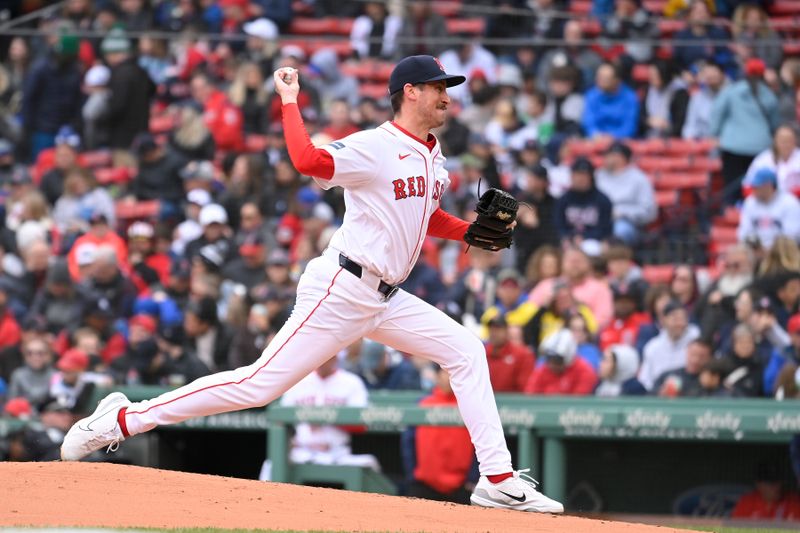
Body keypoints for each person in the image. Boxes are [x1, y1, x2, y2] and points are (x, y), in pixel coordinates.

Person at [61, 56, 563, 514]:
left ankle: (496, 478)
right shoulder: (374, 145)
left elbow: (423, 217)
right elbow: (306, 160)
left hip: (386, 298)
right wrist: (289, 101)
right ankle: (119, 422)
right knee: (257, 386)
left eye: (447, 89)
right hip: (342, 287)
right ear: (409, 91)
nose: (447, 97)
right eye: (438, 88)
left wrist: (469, 233)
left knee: (466, 351)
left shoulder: (434, 156)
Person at [278, 356, 380, 471]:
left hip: (337, 454)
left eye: (327, 357)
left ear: (336, 358)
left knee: (370, 464)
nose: (321, 362)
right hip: (302, 451)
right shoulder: (298, 380)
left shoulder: (351, 382)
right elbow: (280, 418)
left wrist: (328, 418)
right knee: (272, 465)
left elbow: (362, 424)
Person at [712, 58, 779, 205]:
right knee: (755, 189)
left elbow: (716, 115)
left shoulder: (731, 90)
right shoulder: (769, 95)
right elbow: (775, 126)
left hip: (733, 147)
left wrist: (714, 134)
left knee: (731, 191)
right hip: (760, 148)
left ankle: (731, 220)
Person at [405, 364, 476, 504]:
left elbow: (480, 445)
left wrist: (472, 478)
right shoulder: (423, 404)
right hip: (424, 485)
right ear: (437, 376)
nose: (450, 378)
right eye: (446, 373)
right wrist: (412, 475)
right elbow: (408, 443)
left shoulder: (471, 406)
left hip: (461, 487)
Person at [102, 27, 155, 167]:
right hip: (142, 135)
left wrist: (104, 119)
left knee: (125, 176)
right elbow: (153, 90)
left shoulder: (120, 74)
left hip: (123, 139)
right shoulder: (140, 70)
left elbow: (117, 106)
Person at [595, 141, 657, 244]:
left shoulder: (639, 178)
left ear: (621, 157)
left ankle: (616, 258)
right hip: (598, 219)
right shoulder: (598, 175)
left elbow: (650, 212)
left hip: (627, 223)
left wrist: (622, 213)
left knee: (620, 230)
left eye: (611, 155)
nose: (606, 158)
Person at [639, 301, 701, 390]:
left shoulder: (696, 339)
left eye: (683, 318)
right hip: (659, 396)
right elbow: (645, 381)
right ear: (663, 320)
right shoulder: (653, 347)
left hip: (690, 394)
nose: (680, 323)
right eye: (675, 319)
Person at [554, 157, 614, 245]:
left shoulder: (602, 200)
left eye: (584, 175)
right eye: (577, 174)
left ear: (591, 177)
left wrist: (585, 237)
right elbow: (558, 225)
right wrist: (567, 237)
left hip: (594, 241)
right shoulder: (563, 200)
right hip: (568, 240)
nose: (580, 179)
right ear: (571, 176)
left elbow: (604, 229)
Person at [737, 168, 800, 250]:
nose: (754, 189)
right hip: (756, 251)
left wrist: (769, 250)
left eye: (757, 186)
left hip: (783, 252)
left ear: (769, 186)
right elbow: (743, 233)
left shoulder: (790, 203)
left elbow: (792, 236)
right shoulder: (750, 202)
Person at [524, 328, 598, 395]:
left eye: (557, 361)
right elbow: (530, 394)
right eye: (549, 359)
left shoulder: (584, 371)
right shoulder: (544, 369)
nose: (552, 364)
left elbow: (578, 402)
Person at [582, 63, 639, 140]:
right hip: (596, 140)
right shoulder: (591, 95)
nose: (599, 80)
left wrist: (612, 137)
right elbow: (588, 123)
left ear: (617, 80)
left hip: (622, 141)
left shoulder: (630, 97)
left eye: (605, 78)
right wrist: (596, 135)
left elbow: (630, 126)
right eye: (599, 76)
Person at [732, 462, 800, 520]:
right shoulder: (747, 502)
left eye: (779, 481)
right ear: (759, 484)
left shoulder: (793, 502)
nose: (777, 486)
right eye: (771, 483)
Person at [483, 316, 534, 393]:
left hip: (512, 402)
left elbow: (525, 386)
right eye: (492, 330)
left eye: (498, 330)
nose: (494, 334)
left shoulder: (522, 354)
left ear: (506, 332)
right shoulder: (483, 353)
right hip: (487, 400)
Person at [745, 125, 800, 195]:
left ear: (795, 141)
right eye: (782, 140)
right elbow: (748, 186)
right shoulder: (763, 159)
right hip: (767, 202)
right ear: (775, 141)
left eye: (789, 140)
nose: (786, 144)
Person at [682, 61, 728, 140]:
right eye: (707, 74)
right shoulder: (697, 97)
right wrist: (689, 140)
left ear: (722, 75)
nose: (709, 77)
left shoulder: (731, 95)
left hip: (726, 142)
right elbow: (690, 125)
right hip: (702, 143)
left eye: (713, 75)